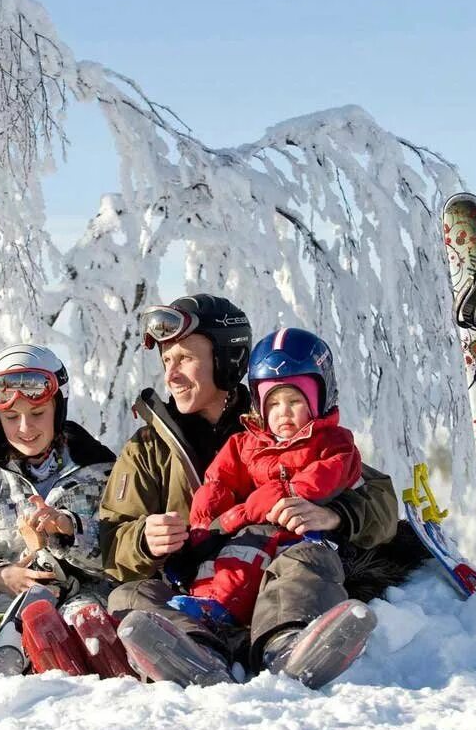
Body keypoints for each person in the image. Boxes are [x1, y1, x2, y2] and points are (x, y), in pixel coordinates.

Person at [98, 294, 399, 689]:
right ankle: (197, 655)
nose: (171, 374)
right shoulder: (149, 449)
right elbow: (112, 544)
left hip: (275, 587)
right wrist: (144, 540)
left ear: (226, 360)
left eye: (185, 358)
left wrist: (337, 514)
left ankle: (287, 647)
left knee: (306, 563)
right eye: (166, 361)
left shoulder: (280, 422)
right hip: (201, 595)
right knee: (128, 596)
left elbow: (378, 500)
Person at [0, 344, 131, 681]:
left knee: (86, 617)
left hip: (91, 602)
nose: (25, 427)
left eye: (37, 413)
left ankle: (109, 673)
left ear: (57, 407)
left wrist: (70, 532)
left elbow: (130, 553)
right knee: (30, 617)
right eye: (10, 417)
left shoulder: (102, 473)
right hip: (7, 613)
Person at [177, 327, 363, 627]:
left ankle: (231, 614)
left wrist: (282, 493)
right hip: (253, 527)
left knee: (254, 553)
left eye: (295, 401)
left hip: (298, 530)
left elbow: (329, 473)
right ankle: (202, 612)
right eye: (273, 404)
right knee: (221, 553)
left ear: (319, 399)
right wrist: (207, 521)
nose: (283, 413)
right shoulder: (245, 443)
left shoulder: (332, 441)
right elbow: (219, 481)